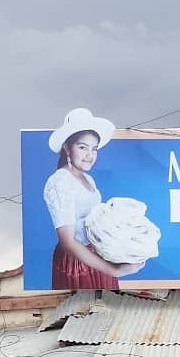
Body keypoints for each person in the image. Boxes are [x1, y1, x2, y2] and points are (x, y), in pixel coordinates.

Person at [43, 107, 141, 290]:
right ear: (67, 148)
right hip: (77, 263)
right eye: (82, 147)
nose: (90, 155)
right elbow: (68, 242)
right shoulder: (60, 182)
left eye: (94, 149)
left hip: (97, 257)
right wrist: (113, 270)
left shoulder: (88, 179)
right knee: (84, 307)